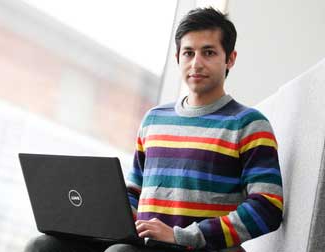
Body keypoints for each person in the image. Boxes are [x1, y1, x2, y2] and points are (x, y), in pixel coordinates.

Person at [25, 6, 283, 252]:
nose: (196, 63)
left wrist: (182, 235)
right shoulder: (154, 119)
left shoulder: (249, 123)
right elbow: (135, 191)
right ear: (177, 57)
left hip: (199, 246)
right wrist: (107, 221)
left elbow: (267, 208)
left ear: (230, 59)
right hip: (145, 243)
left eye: (209, 52)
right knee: (43, 246)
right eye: (189, 53)